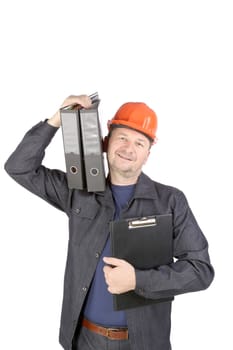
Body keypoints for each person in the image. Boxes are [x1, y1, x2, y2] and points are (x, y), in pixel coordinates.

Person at [4, 94, 214, 350]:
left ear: (148, 154)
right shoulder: (79, 192)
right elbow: (19, 168)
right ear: (105, 142)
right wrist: (58, 119)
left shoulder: (170, 201)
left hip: (142, 343)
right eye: (122, 137)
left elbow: (200, 270)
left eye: (139, 142)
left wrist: (137, 280)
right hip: (84, 340)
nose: (129, 148)